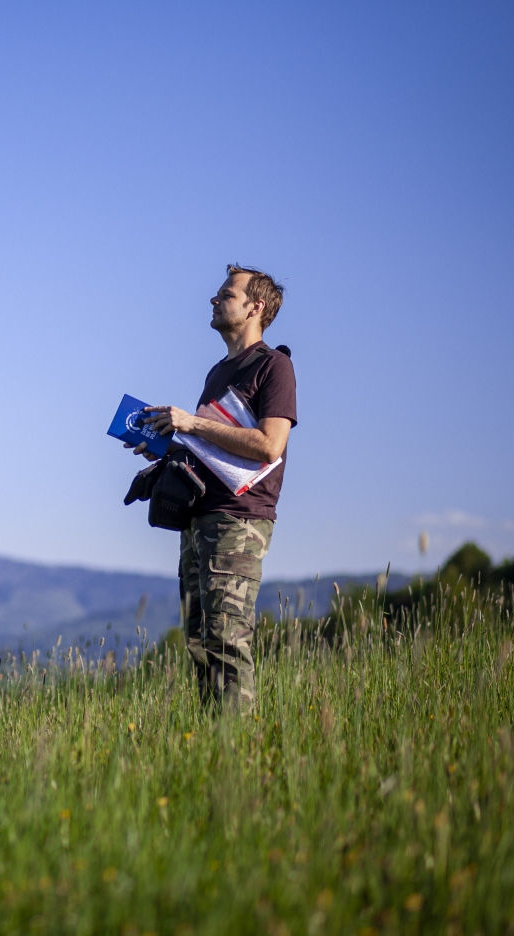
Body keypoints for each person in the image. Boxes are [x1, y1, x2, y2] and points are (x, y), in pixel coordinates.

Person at [129, 264, 296, 712]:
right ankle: (210, 749)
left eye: (226, 294)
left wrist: (193, 422)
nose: (214, 300)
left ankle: (238, 756)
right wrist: (169, 446)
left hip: (239, 521)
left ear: (254, 307)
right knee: (200, 641)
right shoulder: (218, 371)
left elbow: (268, 445)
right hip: (199, 515)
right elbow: (214, 445)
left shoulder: (274, 366)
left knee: (227, 638)